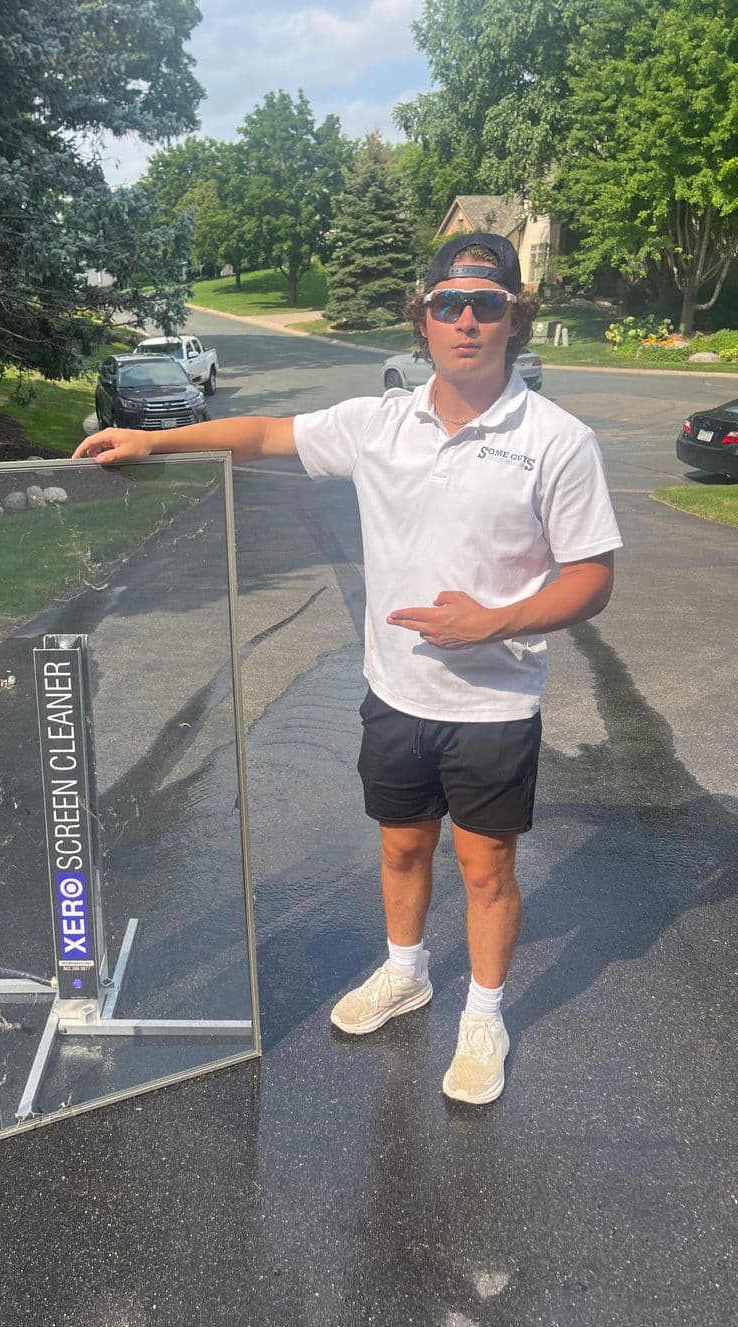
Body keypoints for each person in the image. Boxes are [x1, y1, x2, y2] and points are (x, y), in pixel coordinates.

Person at [74, 232, 622, 1104]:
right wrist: (151, 441)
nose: (468, 320)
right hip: (395, 694)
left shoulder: (557, 440)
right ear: (425, 319)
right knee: (402, 845)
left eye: (488, 305)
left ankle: (484, 1013)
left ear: (516, 319)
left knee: (486, 871)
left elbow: (592, 575)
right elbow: (260, 432)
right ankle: (406, 972)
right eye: (450, 304)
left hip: (493, 708)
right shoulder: (379, 424)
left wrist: (496, 620)